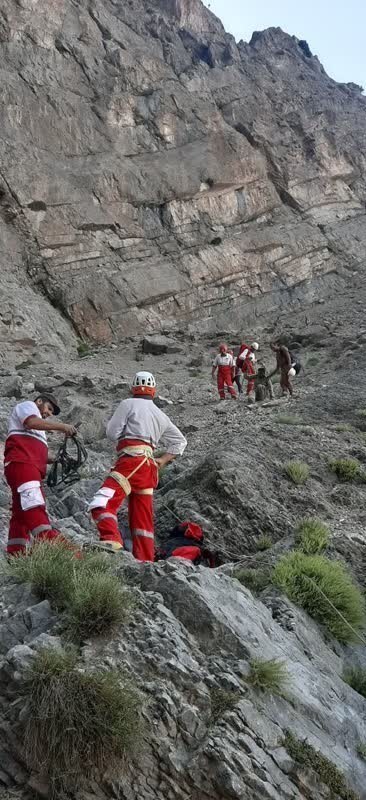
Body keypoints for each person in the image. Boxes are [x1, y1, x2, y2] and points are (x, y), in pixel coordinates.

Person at [88, 371, 187, 560]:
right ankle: (145, 559)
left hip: (130, 462)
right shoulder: (161, 415)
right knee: (142, 518)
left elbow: (111, 433)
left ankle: (111, 538)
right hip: (149, 467)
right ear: (153, 390)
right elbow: (180, 442)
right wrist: (163, 460)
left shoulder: (127, 404)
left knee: (102, 501)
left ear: (133, 387)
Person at [4, 394, 77, 555]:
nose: (49, 413)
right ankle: (58, 548)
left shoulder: (38, 431)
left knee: (20, 514)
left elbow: (37, 453)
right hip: (24, 466)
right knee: (34, 506)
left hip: (24, 466)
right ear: (39, 402)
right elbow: (31, 422)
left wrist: (56, 459)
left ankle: (15, 554)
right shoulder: (28, 407)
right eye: (49, 408)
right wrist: (62, 427)